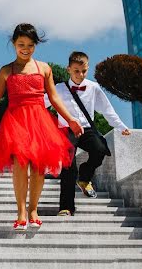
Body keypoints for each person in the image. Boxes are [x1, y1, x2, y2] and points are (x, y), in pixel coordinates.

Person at [0, 23, 82, 231]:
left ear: (36, 45)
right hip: (16, 122)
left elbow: (54, 98)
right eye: (21, 44)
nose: (25, 48)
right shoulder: (6, 71)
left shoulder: (44, 68)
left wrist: (70, 119)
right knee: (20, 166)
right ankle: (21, 212)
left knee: (39, 168)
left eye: (30, 45)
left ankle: (34, 210)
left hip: (40, 122)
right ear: (14, 44)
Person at [45, 51, 131, 216]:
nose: (80, 74)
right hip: (66, 130)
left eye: (84, 71)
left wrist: (120, 126)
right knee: (68, 168)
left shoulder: (93, 87)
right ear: (68, 69)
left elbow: (107, 109)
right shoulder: (59, 88)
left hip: (87, 129)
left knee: (100, 150)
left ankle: (84, 178)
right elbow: (42, 102)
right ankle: (66, 207)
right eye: (76, 71)